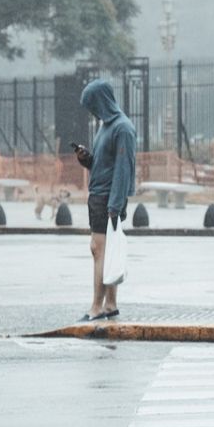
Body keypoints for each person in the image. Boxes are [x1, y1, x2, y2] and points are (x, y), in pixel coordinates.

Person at [73, 80, 137, 321]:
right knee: (105, 252)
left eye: (92, 105)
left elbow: (123, 170)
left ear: (102, 101)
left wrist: (115, 205)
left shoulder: (122, 128)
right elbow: (104, 164)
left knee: (98, 250)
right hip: (100, 195)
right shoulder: (106, 127)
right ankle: (110, 304)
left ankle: (96, 307)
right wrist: (86, 159)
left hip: (108, 199)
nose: (91, 111)